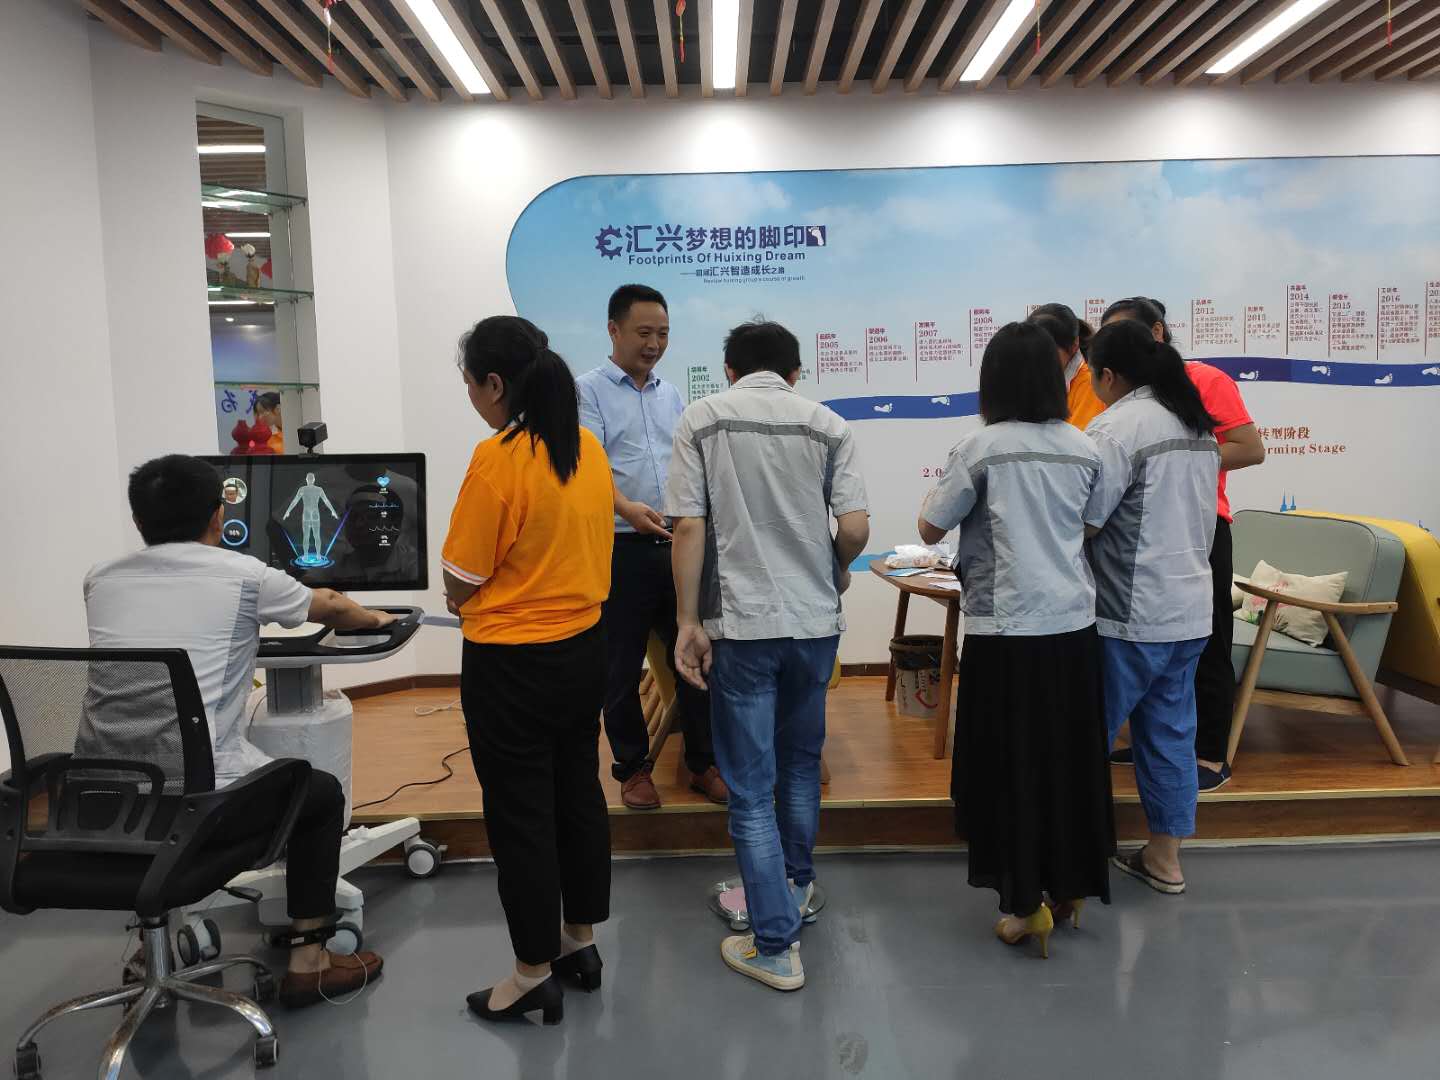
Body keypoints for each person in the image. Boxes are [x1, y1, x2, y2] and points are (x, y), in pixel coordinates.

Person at [83, 454, 390, 1007]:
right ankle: (310, 963)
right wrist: (378, 618)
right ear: (217, 514)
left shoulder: (100, 580)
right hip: (203, 806)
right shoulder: (246, 576)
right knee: (318, 793)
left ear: (138, 521)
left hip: (107, 803)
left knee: (173, 774)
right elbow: (330, 606)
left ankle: (150, 953)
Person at [667, 320, 869, 992]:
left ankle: (775, 944)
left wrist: (687, 621)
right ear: (795, 372)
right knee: (801, 766)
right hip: (814, 625)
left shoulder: (703, 419)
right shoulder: (828, 425)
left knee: (751, 790)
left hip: (743, 626)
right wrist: (830, 567)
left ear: (729, 370)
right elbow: (855, 528)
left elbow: (688, 525)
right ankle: (796, 888)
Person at [918, 322, 1114, 959]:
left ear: (992, 381)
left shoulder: (981, 448)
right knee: (1066, 762)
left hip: (1006, 632)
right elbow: (1091, 525)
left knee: (1011, 766)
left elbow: (929, 527)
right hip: (1074, 628)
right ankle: (1070, 888)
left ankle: (1025, 904)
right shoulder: (1085, 447)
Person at [442, 316, 614, 1024]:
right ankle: (580, 943)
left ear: (494, 384)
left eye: (469, 385)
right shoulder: (585, 448)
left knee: (521, 815)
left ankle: (531, 973)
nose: (471, 399)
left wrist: (461, 595)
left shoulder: (498, 460)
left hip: (511, 665)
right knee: (578, 795)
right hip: (584, 651)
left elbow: (460, 578)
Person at [1100, 298, 1266, 791]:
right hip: (1142, 526)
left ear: (1157, 333)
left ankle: (1211, 754)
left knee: (1208, 640)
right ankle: (1152, 745)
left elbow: (1250, 448)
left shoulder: (1205, 380)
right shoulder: (1129, 400)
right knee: (1152, 649)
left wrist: (1176, 461)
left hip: (1200, 525)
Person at [1084, 319, 1220, 895]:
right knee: (1169, 736)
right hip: (1189, 610)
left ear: (1109, 375)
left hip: (1130, 613)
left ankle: (1074, 859)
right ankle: (1165, 859)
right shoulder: (1196, 424)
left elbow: (1087, 520)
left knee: (1084, 734)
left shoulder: (1117, 427)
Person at [576, 285, 725, 809]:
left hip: (677, 543)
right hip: (620, 548)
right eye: (643, 333)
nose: (654, 344)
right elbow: (587, 468)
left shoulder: (671, 394)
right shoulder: (587, 392)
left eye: (662, 333)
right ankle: (633, 769)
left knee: (695, 653)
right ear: (613, 329)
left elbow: (686, 466)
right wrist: (626, 509)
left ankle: (702, 764)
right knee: (619, 666)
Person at [1029, 303, 1106, 431]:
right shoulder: (1040, 379)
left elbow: (1080, 439)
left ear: (1074, 345)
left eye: (1047, 353)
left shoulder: (1090, 384)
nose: (1038, 359)